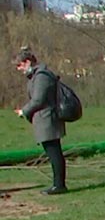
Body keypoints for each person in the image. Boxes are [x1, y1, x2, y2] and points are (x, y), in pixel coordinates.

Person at [12, 49, 66, 195]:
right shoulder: (37, 75)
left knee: (54, 151)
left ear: (28, 62)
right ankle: (58, 184)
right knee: (53, 151)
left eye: (20, 65)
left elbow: (38, 100)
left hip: (48, 118)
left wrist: (24, 111)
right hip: (45, 118)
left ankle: (59, 185)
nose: (19, 69)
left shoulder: (41, 76)